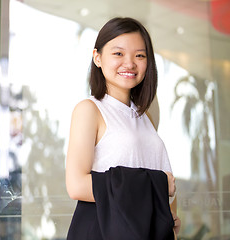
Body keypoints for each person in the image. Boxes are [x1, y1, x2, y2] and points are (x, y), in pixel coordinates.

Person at [65, 17, 181, 238]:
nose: (130, 63)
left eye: (140, 55)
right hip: (103, 230)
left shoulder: (145, 116)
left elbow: (165, 183)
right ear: (97, 57)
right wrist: (155, 186)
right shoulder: (90, 110)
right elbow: (76, 185)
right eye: (118, 54)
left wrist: (170, 219)